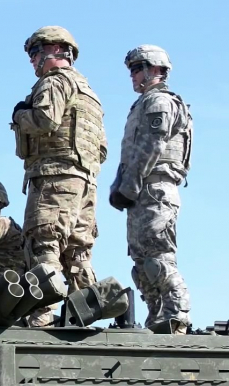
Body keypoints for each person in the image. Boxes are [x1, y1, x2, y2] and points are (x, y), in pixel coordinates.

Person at [10, 26, 107, 327]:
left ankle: (42, 317)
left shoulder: (54, 82)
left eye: (35, 53)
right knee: (78, 254)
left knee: (44, 244)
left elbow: (44, 120)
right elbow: (101, 149)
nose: (33, 61)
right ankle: (84, 318)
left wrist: (19, 116)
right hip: (85, 182)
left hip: (53, 177)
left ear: (56, 50)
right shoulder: (89, 93)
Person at [109, 44, 193, 335]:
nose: (132, 76)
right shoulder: (142, 104)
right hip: (142, 191)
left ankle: (176, 314)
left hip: (155, 188)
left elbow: (152, 147)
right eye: (131, 70)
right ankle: (158, 318)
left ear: (155, 69)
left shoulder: (159, 102)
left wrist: (128, 185)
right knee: (142, 264)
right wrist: (120, 186)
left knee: (158, 258)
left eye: (137, 69)